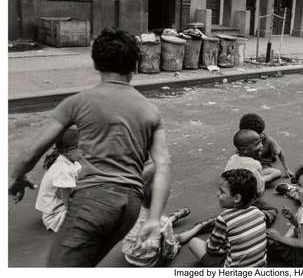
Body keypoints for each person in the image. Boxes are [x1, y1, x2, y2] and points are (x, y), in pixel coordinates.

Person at [9, 28, 172, 267]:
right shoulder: (151, 110)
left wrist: (18, 176)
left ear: (95, 63)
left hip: (94, 199)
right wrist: (154, 219)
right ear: (135, 66)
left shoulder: (77, 102)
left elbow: (31, 153)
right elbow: (164, 165)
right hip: (130, 207)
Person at [122, 161, 211, 267]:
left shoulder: (129, 210)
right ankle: (200, 227)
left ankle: (173, 218)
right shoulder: (163, 221)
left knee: (153, 225)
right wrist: (175, 249)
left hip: (129, 256)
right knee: (176, 238)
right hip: (149, 262)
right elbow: (168, 251)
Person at [188, 169, 268, 267]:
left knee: (194, 242)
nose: (217, 194)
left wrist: (215, 244)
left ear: (236, 198)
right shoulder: (258, 212)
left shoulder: (224, 219)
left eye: (222, 192)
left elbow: (211, 249)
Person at [225, 129, 278, 225]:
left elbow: (225, 177)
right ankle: (257, 221)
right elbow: (258, 190)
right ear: (244, 149)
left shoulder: (233, 158)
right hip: (247, 201)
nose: (261, 146)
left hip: (231, 199)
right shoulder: (255, 164)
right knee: (272, 210)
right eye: (257, 144)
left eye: (261, 142)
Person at [35, 126, 81, 232]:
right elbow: (67, 201)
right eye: (81, 147)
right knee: (95, 217)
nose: (86, 149)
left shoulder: (70, 162)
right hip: (55, 216)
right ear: (67, 151)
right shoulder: (63, 170)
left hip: (60, 207)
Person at [239, 113, 293, 179]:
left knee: (277, 173)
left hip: (263, 167)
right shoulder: (244, 140)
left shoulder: (268, 140)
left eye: (260, 133)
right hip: (250, 167)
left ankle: (258, 182)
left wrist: (287, 169)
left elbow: (280, 153)